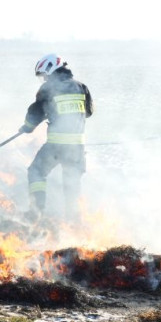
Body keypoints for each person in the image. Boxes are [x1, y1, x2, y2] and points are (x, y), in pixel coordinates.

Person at [19, 54, 93, 223]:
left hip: (56, 146)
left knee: (36, 172)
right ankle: (74, 221)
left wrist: (27, 127)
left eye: (44, 75)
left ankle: (36, 212)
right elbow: (88, 113)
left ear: (51, 70)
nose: (44, 78)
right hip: (77, 148)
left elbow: (35, 112)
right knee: (71, 184)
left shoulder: (47, 89)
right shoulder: (81, 87)